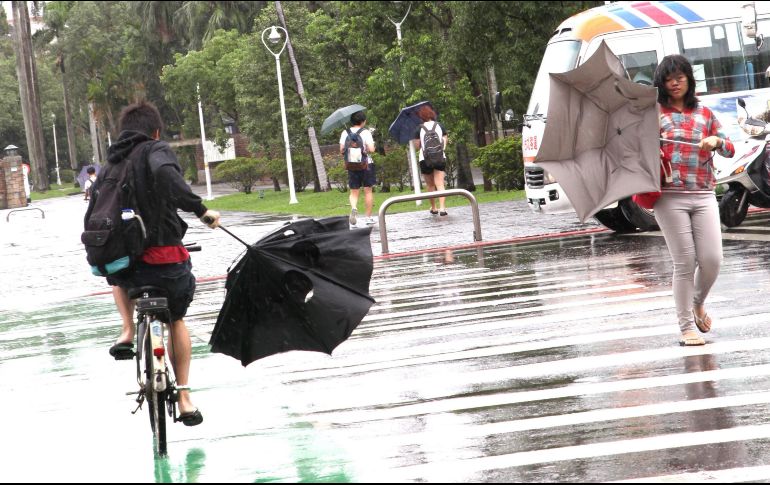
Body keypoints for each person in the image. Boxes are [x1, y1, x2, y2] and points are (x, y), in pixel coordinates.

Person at [96, 100, 221, 426]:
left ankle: (126, 329)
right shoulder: (155, 150)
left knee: (116, 275)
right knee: (176, 319)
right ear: (155, 131)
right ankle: (184, 397)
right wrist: (200, 210)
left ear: (123, 132)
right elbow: (167, 176)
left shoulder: (111, 163)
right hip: (165, 263)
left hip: (126, 266)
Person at [653, 55, 734, 346]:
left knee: (712, 260)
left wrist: (716, 142)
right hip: (669, 197)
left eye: (680, 77)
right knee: (685, 262)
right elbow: (636, 152)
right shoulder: (654, 114)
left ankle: (698, 302)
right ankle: (686, 326)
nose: (674, 83)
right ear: (661, 83)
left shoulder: (705, 113)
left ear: (689, 78)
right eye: (668, 79)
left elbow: (729, 148)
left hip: (703, 193)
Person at [339, 110, 376, 226]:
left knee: (354, 192)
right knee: (368, 191)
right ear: (363, 121)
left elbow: (341, 150)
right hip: (366, 165)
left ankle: (354, 207)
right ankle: (368, 217)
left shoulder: (345, 132)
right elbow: (372, 149)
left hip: (351, 165)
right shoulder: (366, 132)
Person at [412, 105, 449, 216]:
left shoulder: (418, 128)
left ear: (421, 116)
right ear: (432, 114)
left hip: (425, 159)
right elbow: (445, 141)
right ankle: (443, 208)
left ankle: (434, 207)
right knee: (440, 183)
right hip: (439, 157)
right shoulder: (440, 126)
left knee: (430, 185)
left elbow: (417, 146)